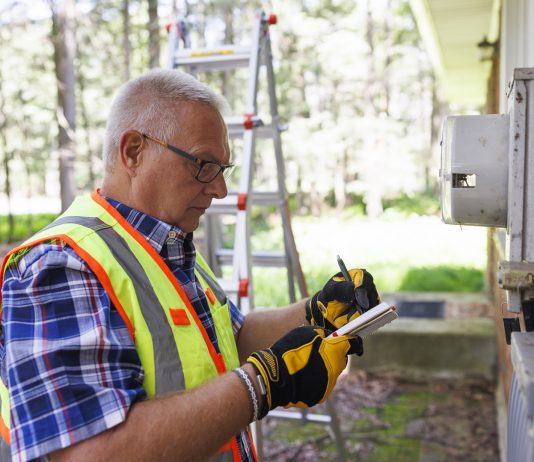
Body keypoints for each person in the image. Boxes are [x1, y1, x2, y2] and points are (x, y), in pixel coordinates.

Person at [0, 69, 379, 462]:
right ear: (133, 152)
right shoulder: (61, 266)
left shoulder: (165, 245)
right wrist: (262, 386)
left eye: (222, 169)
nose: (220, 189)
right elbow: (90, 453)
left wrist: (313, 312)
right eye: (202, 164)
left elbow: (228, 341)